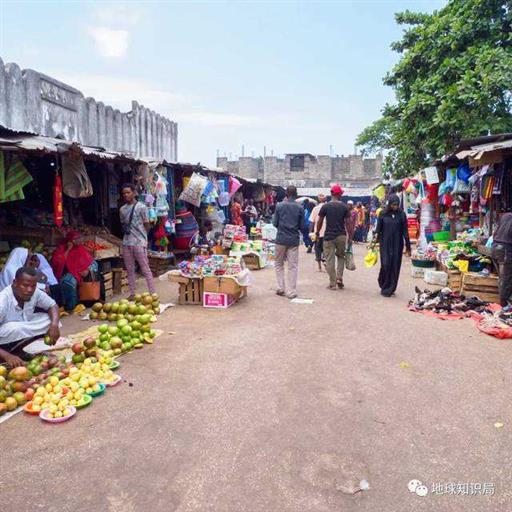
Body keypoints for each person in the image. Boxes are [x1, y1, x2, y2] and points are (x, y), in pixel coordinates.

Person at [0, 267, 60, 367]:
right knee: (16, 328)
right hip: (4, 336)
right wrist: (7, 356)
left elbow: (52, 305)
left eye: (33, 286)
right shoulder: (2, 301)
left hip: (19, 327)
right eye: (25, 285)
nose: (29, 290)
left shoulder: (34, 292)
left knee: (49, 320)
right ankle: (5, 355)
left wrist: (54, 325)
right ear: (15, 283)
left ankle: (18, 351)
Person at [120, 183, 156, 300]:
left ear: (134, 192)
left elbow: (147, 224)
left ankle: (152, 293)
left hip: (139, 243)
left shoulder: (141, 207)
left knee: (145, 268)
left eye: (128, 192)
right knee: (129, 269)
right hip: (127, 243)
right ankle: (132, 293)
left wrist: (143, 238)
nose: (126, 195)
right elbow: (123, 224)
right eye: (124, 193)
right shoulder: (122, 209)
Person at [374, 194, 411, 297]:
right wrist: (374, 242)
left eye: (397, 205)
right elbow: (378, 229)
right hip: (385, 243)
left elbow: (405, 231)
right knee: (385, 264)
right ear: (389, 204)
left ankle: (390, 288)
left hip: (397, 244)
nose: (395, 207)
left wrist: (408, 247)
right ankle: (383, 282)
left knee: (395, 265)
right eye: (393, 205)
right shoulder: (382, 214)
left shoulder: (401, 214)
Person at [51, 230, 98, 311]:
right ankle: (70, 306)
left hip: (82, 273)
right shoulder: (62, 249)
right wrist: (68, 249)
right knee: (68, 282)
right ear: (70, 241)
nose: (79, 240)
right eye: (76, 239)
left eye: (79, 238)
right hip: (67, 273)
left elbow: (91, 261)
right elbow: (58, 262)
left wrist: (87, 269)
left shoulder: (80, 249)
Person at [316, 184, 351, 290]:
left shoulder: (325, 206)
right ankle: (339, 278)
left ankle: (332, 283)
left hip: (328, 237)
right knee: (341, 257)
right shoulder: (344, 206)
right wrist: (350, 237)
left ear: (331, 194)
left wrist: (317, 232)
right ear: (340, 195)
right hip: (341, 236)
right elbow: (348, 223)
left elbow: (320, 221)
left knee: (329, 259)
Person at [273, 185, 304, 299]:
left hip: (280, 238)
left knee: (278, 263)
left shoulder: (279, 206)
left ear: (286, 194)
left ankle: (281, 287)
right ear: (296, 195)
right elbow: (301, 226)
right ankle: (291, 291)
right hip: (293, 240)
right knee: (293, 266)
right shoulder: (300, 207)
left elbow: (275, 223)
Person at [492, 212, 512, 306]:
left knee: (503, 277)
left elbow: (495, 232)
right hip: (505, 250)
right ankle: (504, 305)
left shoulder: (505, 216)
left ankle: (504, 301)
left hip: (495, 247)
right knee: (505, 279)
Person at [309, 194, 327, 271]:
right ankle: (325, 261)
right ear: (325, 199)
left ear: (318, 200)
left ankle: (319, 266)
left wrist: (310, 231)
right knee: (326, 248)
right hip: (327, 232)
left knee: (318, 248)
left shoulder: (315, 209)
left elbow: (312, 222)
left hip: (317, 232)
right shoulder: (329, 208)